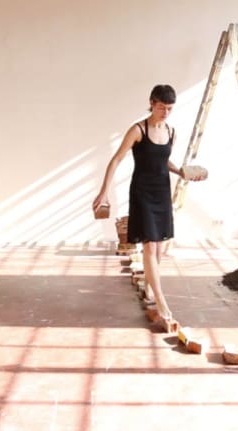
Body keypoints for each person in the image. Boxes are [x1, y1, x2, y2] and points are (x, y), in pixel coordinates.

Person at [93, 84, 199, 328]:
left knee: (160, 250)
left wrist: (181, 172)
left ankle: (151, 291)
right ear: (152, 102)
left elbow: (162, 160)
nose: (165, 112)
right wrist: (103, 192)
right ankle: (161, 301)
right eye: (161, 107)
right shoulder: (138, 129)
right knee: (150, 248)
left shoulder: (172, 132)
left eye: (169, 108)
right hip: (142, 193)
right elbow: (116, 159)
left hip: (162, 193)